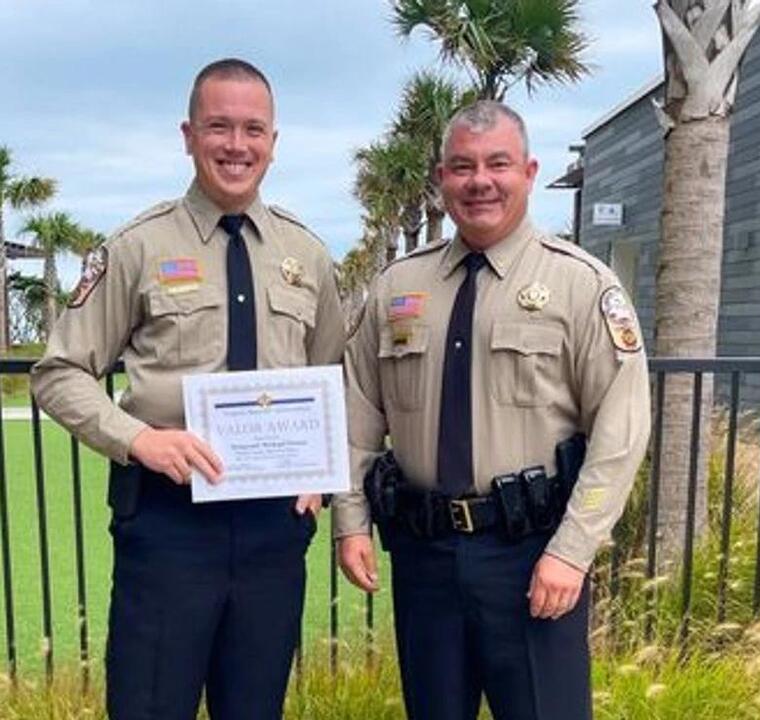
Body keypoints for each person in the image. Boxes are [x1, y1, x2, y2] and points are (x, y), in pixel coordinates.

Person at [31, 58, 345, 720]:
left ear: (274, 141)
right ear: (188, 134)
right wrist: (137, 438)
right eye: (219, 127)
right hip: (170, 527)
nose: (237, 145)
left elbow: (333, 381)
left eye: (254, 129)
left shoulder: (308, 256)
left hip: (272, 532)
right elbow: (58, 373)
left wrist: (322, 471)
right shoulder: (136, 248)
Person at [334, 100, 651, 720]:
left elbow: (621, 430)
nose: (480, 180)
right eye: (462, 166)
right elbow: (357, 413)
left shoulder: (580, 285)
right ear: (442, 178)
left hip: (531, 554)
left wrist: (572, 550)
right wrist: (350, 521)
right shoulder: (398, 288)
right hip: (426, 556)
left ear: (529, 172)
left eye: (497, 164)